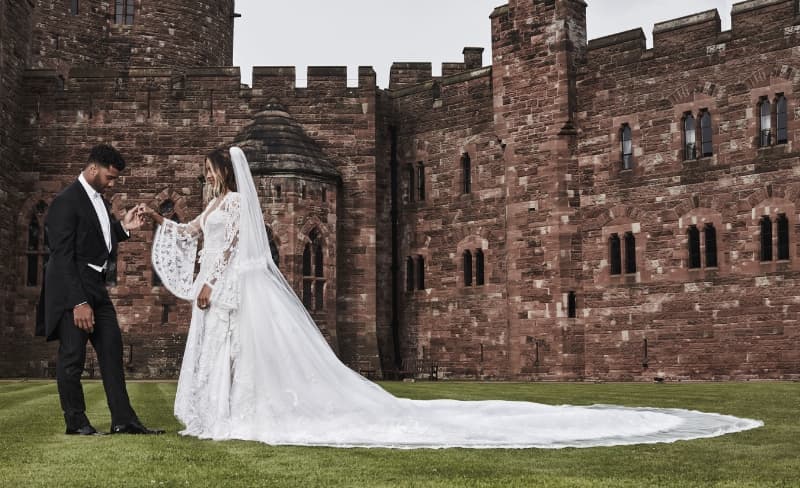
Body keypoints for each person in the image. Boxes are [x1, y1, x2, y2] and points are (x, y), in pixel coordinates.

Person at [147, 146, 761, 448]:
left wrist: (207, 283)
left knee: (253, 357)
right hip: (226, 290)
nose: (204, 176)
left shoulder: (234, 203)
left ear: (224, 174)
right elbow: (195, 234)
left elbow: (231, 249)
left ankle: (240, 416)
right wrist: (156, 221)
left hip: (231, 289)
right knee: (238, 358)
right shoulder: (213, 205)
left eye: (207, 169)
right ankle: (223, 416)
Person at [36, 144, 164, 436]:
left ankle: (124, 421)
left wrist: (124, 227)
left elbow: (97, 242)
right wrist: (78, 301)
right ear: (93, 169)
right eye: (110, 177)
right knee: (72, 358)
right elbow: (62, 255)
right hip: (73, 289)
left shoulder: (100, 202)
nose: (112, 183)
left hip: (96, 286)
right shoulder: (65, 202)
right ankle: (77, 423)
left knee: (111, 350)